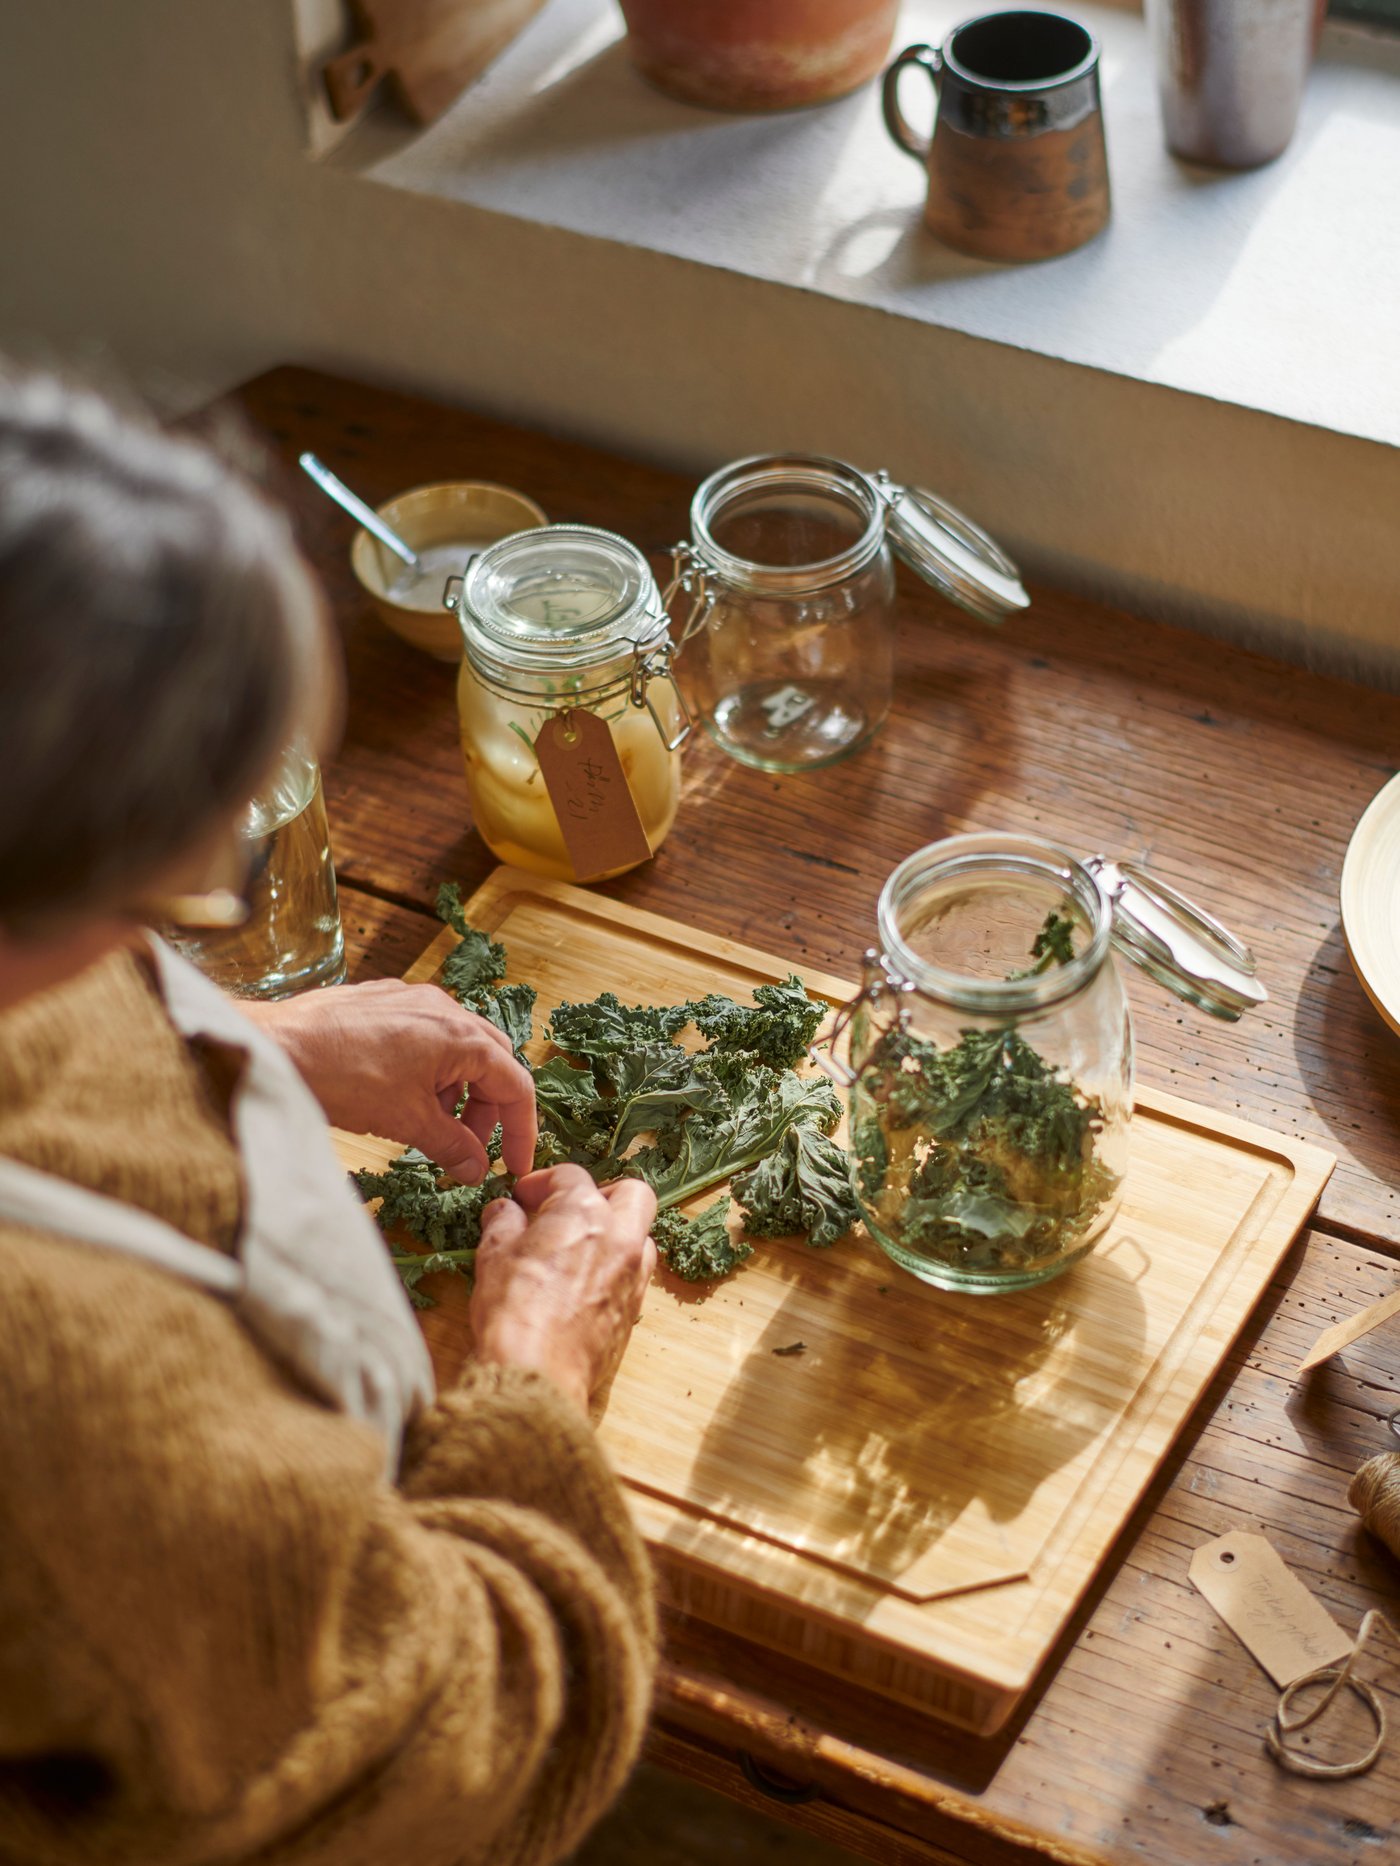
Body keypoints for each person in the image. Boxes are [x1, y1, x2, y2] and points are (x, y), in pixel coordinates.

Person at [0, 371, 659, 1866]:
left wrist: (257, 1039)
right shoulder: (64, 1435)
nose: (169, 950)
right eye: (172, 903)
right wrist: (537, 1384)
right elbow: (445, 1759)